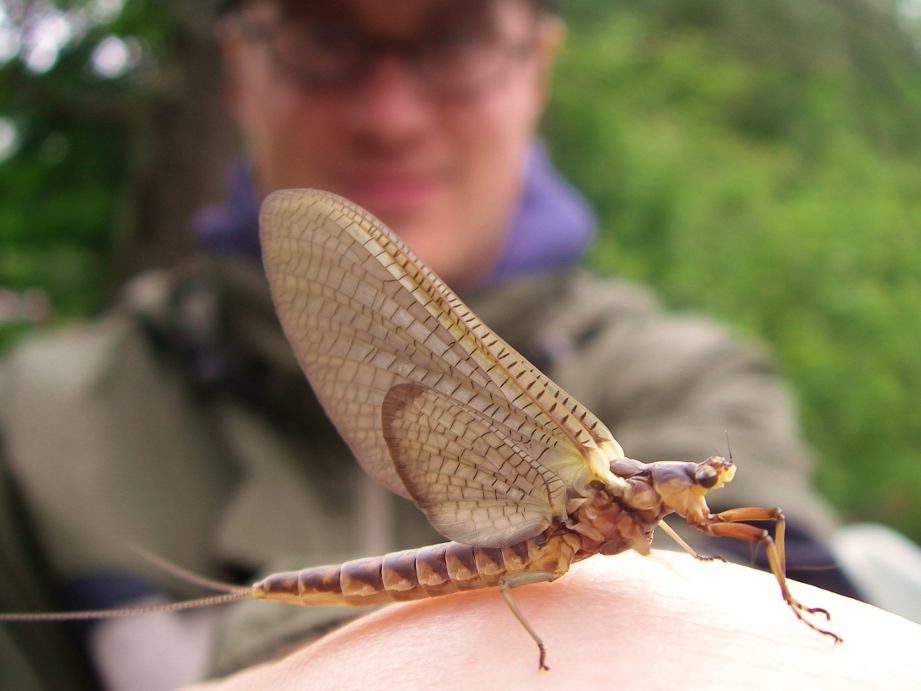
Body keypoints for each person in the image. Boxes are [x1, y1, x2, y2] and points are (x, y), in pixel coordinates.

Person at [0, 0, 860, 688]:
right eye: (326, 32)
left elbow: (783, 592)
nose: (389, 114)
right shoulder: (37, 423)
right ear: (236, 68)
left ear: (538, 67)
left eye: (455, 37)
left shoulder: (680, 372)